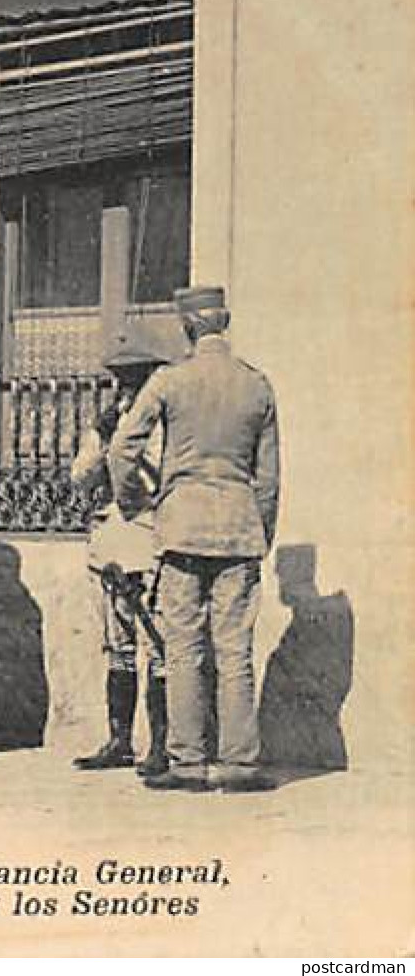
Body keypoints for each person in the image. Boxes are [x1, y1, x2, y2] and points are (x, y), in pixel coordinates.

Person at [111, 286, 280, 793]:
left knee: (182, 647)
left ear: (188, 327)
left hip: (181, 527)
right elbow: (269, 479)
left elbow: (122, 448)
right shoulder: (257, 384)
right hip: (238, 529)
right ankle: (239, 765)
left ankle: (187, 764)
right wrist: (260, 532)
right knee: (235, 651)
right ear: (223, 325)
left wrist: (133, 503)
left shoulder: (170, 381)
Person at [70, 333, 173, 775]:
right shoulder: (108, 422)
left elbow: (160, 477)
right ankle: (120, 740)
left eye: (136, 378)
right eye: (121, 379)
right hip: (110, 539)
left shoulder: (166, 425)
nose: (127, 387)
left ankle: (162, 745)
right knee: (118, 645)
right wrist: (105, 442)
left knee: (158, 643)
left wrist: (128, 451)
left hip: (148, 536)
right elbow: (80, 476)